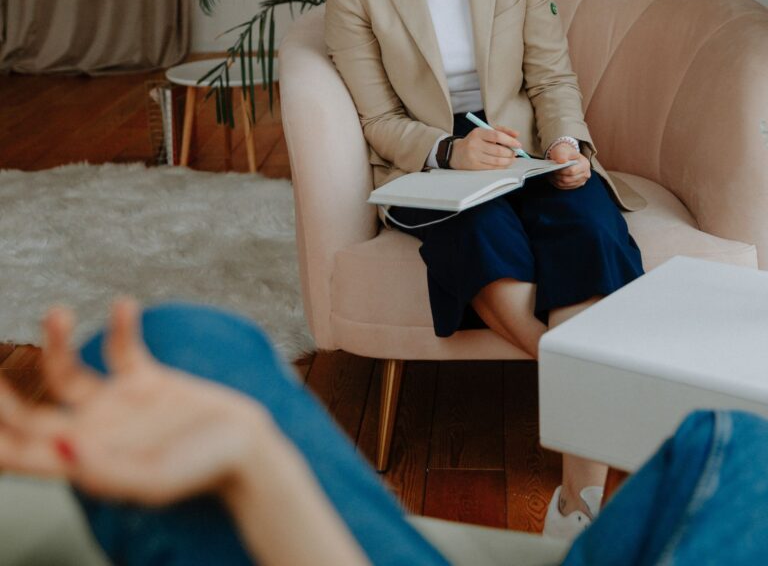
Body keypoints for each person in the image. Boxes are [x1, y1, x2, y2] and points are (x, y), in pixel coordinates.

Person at [323, 0, 645, 538]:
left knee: (591, 227)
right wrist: (447, 151)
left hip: (525, 148)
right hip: (432, 160)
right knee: (479, 238)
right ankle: (590, 377)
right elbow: (378, 119)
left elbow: (551, 77)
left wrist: (568, 146)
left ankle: (579, 502)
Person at [0, 300, 767, 566]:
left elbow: (550, 84)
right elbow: (379, 118)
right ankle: (555, 352)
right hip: (441, 178)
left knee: (170, 352)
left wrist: (261, 472)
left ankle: (557, 353)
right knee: (177, 344)